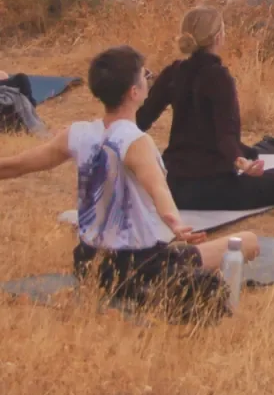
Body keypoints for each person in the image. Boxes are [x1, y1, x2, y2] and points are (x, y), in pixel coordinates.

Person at [0, 46, 259, 311]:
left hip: (88, 263)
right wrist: (176, 223)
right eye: (145, 76)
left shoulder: (76, 134)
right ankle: (154, 293)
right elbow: (159, 190)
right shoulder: (135, 142)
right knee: (248, 242)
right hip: (142, 265)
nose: (149, 80)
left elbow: (18, 165)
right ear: (134, 93)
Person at [137, 7, 274, 211]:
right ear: (218, 37)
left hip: (173, 185)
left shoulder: (173, 72)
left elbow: (141, 120)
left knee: (253, 155)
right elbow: (226, 137)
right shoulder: (219, 78)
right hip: (212, 187)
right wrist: (241, 161)